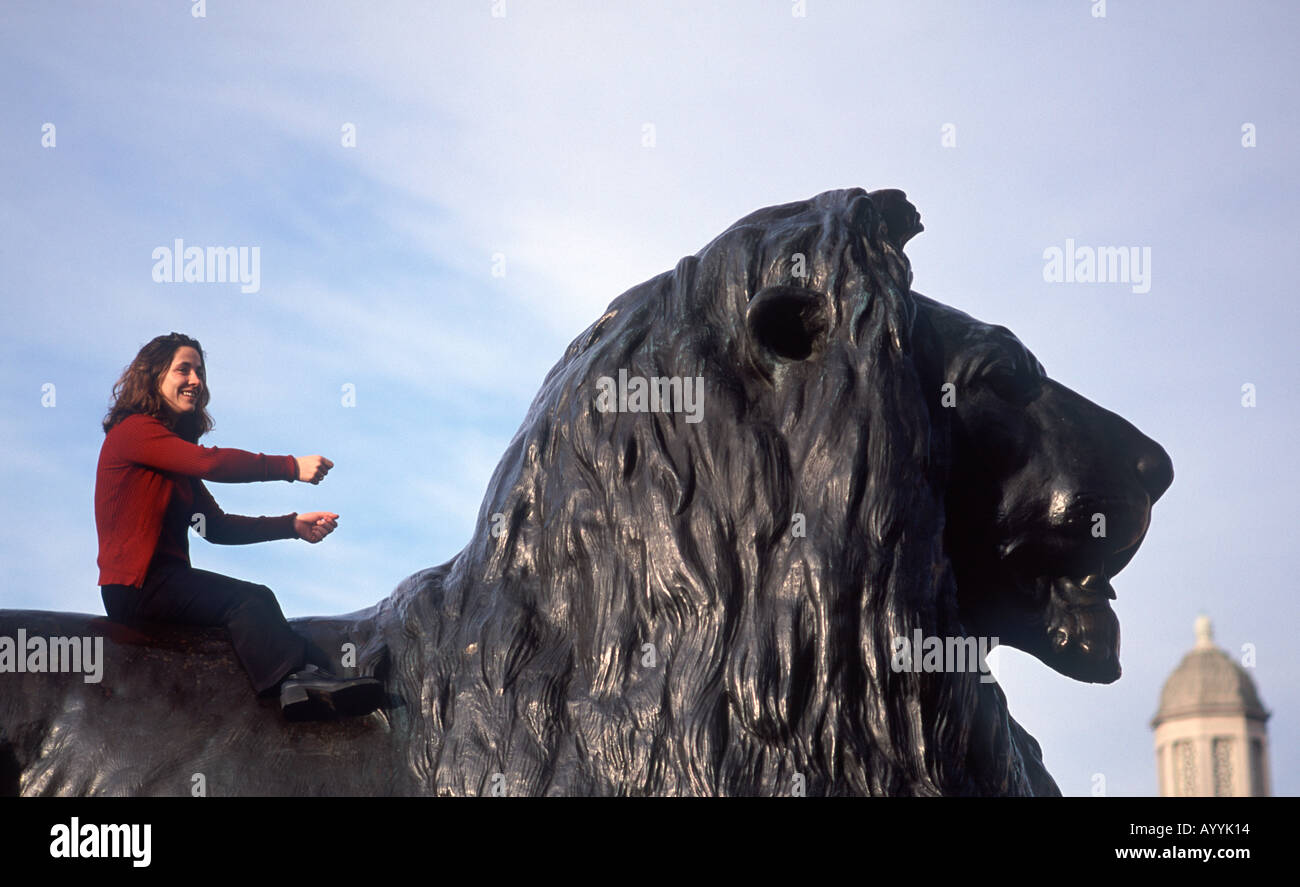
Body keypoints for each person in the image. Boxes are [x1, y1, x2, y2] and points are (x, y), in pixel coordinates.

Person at [94, 332, 382, 721]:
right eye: (184, 369)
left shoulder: (171, 456)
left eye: (200, 371)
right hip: (137, 588)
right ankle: (293, 687)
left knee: (270, 614)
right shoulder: (134, 432)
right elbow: (210, 463)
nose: (196, 380)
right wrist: (290, 467)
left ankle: (318, 678)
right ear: (153, 376)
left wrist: (291, 525)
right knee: (252, 600)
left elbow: (216, 527)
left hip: (164, 583)